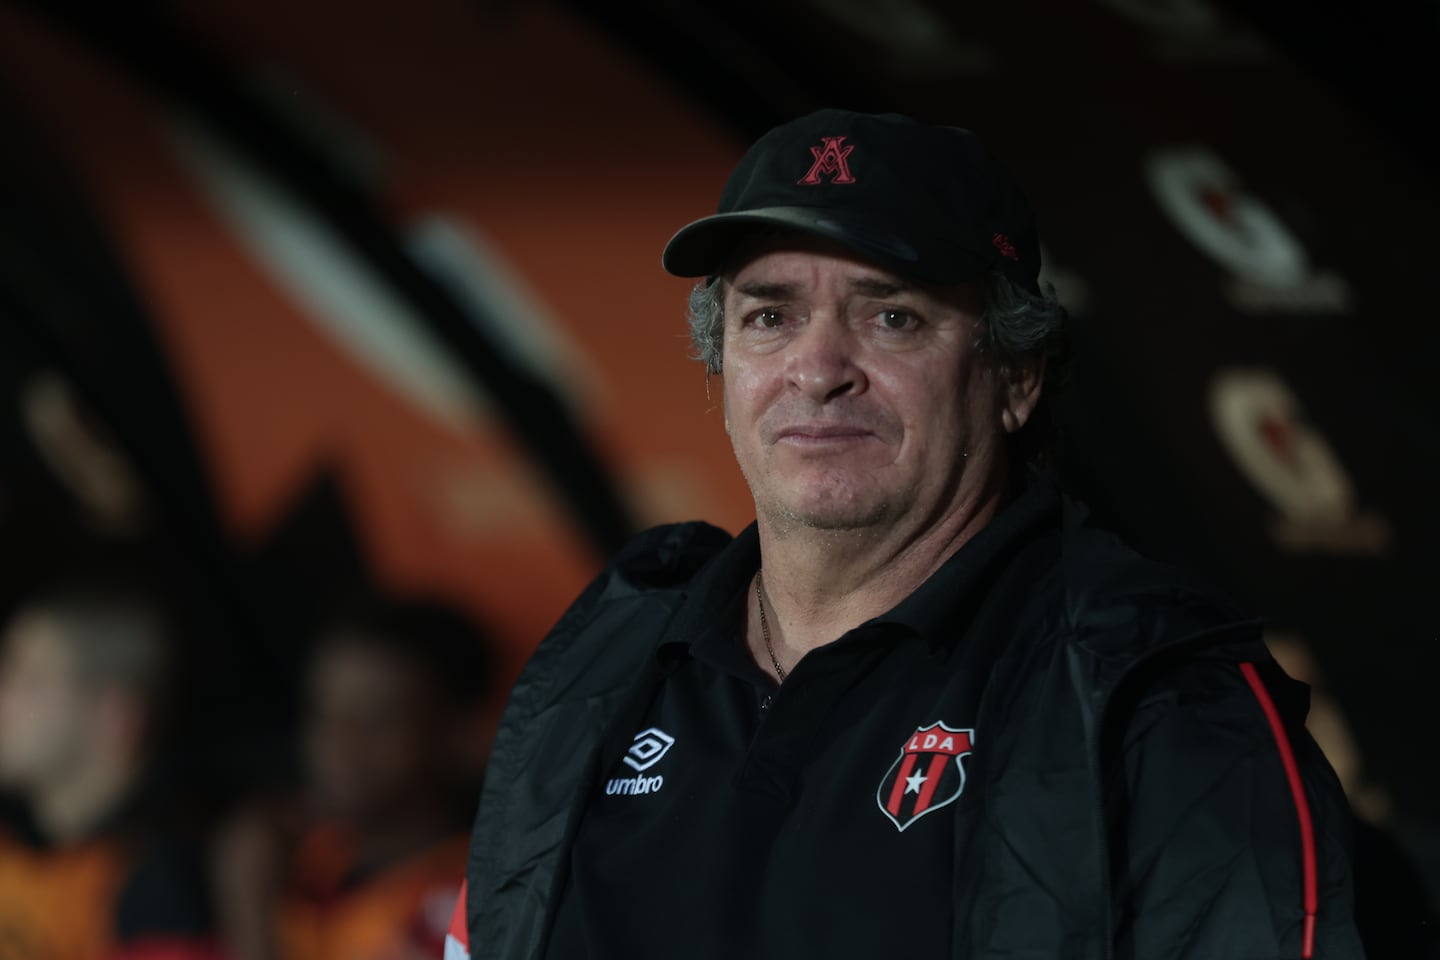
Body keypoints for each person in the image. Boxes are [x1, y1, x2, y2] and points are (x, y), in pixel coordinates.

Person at [445, 109, 1364, 959]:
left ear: (1016, 378)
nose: (817, 370)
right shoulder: (603, 665)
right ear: (723, 365)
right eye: (770, 317)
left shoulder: (1150, 697)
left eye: (893, 317)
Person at [212, 595, 490, 960]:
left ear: (459, 735)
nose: (337, 742)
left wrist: (251, 909)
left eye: (376, 720)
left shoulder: (468, 898)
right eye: (323, 713)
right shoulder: (303, 856)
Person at [0, 577, 218, 960]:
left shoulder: (154, 888)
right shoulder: (18, 840)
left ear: (116, 718)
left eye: (30, 678)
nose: (5, 698)